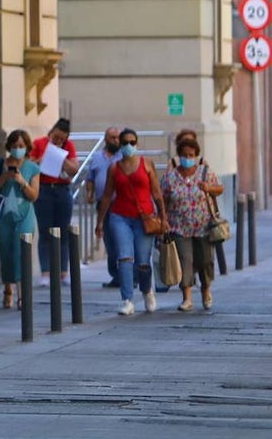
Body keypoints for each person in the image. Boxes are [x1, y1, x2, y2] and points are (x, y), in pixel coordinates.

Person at [95, 128, 168, 316]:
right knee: (124, 258)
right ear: (120, 144)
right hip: (120, 217)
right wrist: (100, 222)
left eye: (132, 142)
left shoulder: (147, 164)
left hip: (144, 218)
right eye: (125, 142)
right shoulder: (114, 167)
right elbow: (106, 196)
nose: (129, 146)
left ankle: (146, 291)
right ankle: (127, 299)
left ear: (137, 143)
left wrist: (163, 216)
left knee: (143, 261)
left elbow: (157, 192)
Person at [160, 136, 222, 311]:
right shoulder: (170, 177)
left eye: (191, 155)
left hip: (203, 226)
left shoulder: (205, 172)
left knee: (205, 260)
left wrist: (208, 188)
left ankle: (206, 290)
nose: (188, 158)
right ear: (179, 155)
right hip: (179, 226)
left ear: (196, 155)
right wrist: (163, 219)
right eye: (185, 155)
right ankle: (187, 297)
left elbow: (220, 188)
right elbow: (162, 198)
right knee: (184, 260)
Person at [0, 129, 40, 309]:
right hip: (3, 218)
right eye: (15, 146)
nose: (17, 149)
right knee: (7, 253)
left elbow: (34, 196)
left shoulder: (32, 167)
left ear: (27, 147)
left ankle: (22, 294)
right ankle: (8, 289)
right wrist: (5, 177)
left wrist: (22, 181)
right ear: (9, 146)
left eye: (21, 146)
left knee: (21, 253)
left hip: (25, 217)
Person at [29, 118, 81, 286]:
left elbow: (74, 169)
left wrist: (60, 156)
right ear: (51, 132)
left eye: (62, 139)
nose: (58, 141)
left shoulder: (68, 146)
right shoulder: (38, 143)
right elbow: (29, 165)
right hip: (44, 189)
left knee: (63, 232)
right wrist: (44, 157)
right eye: (56, 137)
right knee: (45, 231)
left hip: (62, 190)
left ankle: (63, 272)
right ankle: (46, 272)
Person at [85, 126, 122, 288]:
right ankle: (116, 275)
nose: (116, 141)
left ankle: (128, 275)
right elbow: (90, 178)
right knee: (109, 240)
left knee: (122, 239)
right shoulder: (97, 157)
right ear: (106, 139)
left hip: (121, 204)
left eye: (118, 138)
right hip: (103, 205)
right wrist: (90, 193)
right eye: (112, 138)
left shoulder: (124, 157)